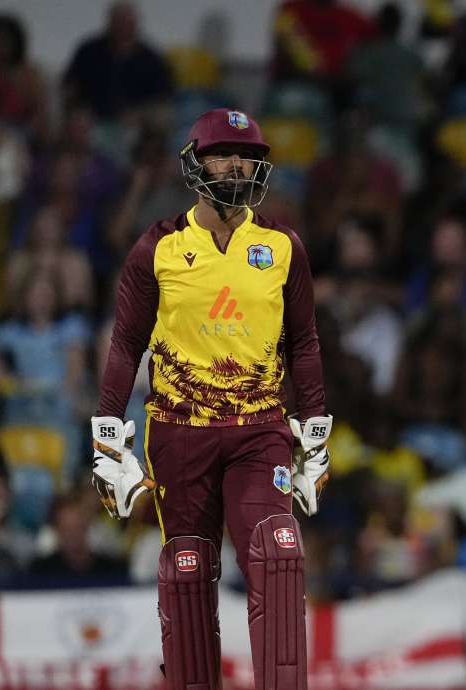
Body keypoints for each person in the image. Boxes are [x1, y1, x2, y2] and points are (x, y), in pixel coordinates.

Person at [90, 108, 332, 690]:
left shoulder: (281, 246)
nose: (236, 164)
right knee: (188, 571)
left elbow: (304, 343)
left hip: (260, 429)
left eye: (246, 154)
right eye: (223, 153)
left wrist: (317, 427)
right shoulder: (159, 248)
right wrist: (105, 434)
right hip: (178, 430)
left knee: (278, 553)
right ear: (196, 164)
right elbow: (126, 346)